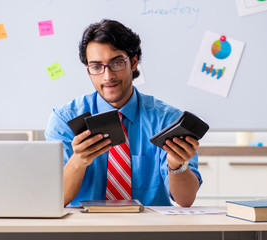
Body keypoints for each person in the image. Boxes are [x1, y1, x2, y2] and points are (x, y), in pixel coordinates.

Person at [45, 19, 202, 207]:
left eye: (117, 63)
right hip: (84, 231)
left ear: (134, 62)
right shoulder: (64, 120)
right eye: (96, 67)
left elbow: (185, 201)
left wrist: (177, 165)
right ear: (88, 71)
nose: (107, 76)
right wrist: (78, 161)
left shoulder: (168, 120)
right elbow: (54, 200)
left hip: (148, 231)